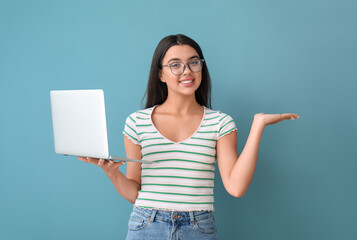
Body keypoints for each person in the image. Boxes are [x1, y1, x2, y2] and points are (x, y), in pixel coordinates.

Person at [78, 34, 300, 239]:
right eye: (175, 65)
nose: (187, 71)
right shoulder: (137, 122)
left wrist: (257, 126)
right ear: (160, 74)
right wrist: (112, 173)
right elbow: (135, 193)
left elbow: (236, 187)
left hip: (198, 228)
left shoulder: (220, 123)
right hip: (146, 226)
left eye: (194, 62)